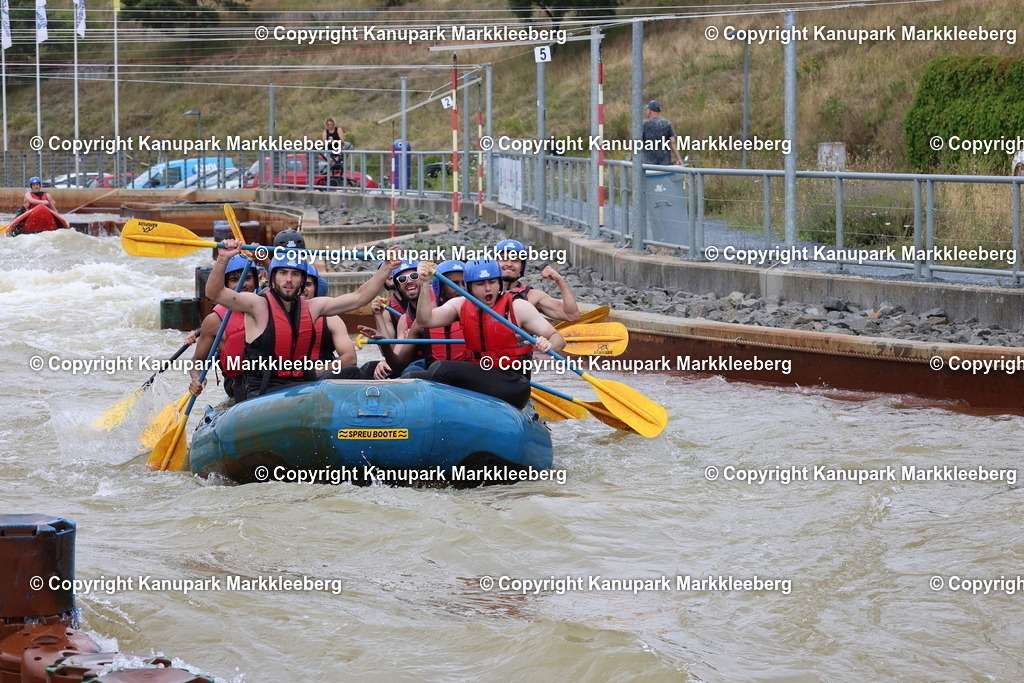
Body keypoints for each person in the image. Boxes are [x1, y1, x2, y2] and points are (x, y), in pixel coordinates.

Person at [207, 239, 399, 399]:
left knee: (351, 373)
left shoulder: (313, 307)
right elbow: (215, 293)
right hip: (264, 391)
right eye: (283, 273)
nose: (289, 279)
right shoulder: (256, 305)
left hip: (302, 385)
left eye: (295, 274)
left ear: (302, 280)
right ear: (273, 278)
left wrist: (386, 268)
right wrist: (223, 259)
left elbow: (359, 298)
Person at [408, 259, 564, 409]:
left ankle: (450, 412)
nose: (488, 288)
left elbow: (558, 338)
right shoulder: (459, 305)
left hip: (513, 384)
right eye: (480, 284)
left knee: (441, 369)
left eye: (492, 282)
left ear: (499, 283)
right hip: (480, 376)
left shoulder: (518, 306)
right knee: (409, 378)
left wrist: (549, 345)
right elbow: (425, 320)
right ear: (469, 287)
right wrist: (424, 284)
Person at [188, 255, 258, 402]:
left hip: (270, 380)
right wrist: (196, 379)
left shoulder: (269, 306)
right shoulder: (214, 321)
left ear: (256, 281)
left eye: (247, 278)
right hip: (240, 386)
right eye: (234, 280)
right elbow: (197, 361)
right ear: (225, 285)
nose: (242, 284)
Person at [494, 239, 580, 322]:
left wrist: (560, 280)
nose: (509, 264)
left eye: (515, 260)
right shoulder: (486, 292)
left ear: (522, 267)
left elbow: (572, 316)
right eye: (504, 259)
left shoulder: (533, 296)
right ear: (494, 263)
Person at [639, 101, 684, 168]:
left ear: (650, 111)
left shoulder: (643, 124)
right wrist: (679, 158)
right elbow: (673, 141)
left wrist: (632, 157)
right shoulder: (667, 124)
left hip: (647, 164)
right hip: (664, 163)